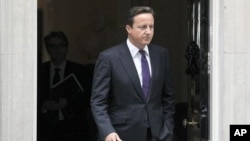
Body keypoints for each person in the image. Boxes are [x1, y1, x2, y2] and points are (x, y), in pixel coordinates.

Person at [90, 6, 175, 141]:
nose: (148, 32)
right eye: (143, 27)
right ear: (128, 29)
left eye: (151, 27)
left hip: (157, 134)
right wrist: (107, 131)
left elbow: (168, 98)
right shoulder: (109, 58)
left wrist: (168, 129)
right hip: (121, 134)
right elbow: (98, 101)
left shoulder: (161, 54)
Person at [37, 31, 92, 141]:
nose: (57, 49)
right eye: (52, 46)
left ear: (66, 48)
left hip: (74, 130)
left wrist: (67, 103)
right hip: (46, 130)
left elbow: (88, 98)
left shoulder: (80, 71)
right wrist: (43, 105)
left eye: (61, 45)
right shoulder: (39, 71)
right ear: (47, 49)